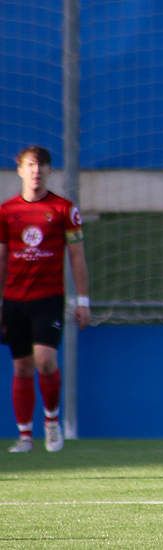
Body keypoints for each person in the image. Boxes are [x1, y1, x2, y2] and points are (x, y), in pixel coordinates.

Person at [0, 146, 90, 454]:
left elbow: (77, 257)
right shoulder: (7, 211)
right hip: (13, 299)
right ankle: (25, 436)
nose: (36, 171)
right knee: (22, 366)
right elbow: (1, 258)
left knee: (45, 360)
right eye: (30, 165)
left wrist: (83, 301)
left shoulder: (64, 209)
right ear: (20, 170)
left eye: (41, 166)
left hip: (48, 298)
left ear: (49, 171)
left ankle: (51, 422)